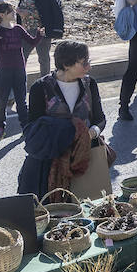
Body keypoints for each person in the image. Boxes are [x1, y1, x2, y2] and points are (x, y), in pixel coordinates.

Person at [21, 40, 107, 196]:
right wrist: (62, 132)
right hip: (50, 162)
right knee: (54, 210)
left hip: (84, 158)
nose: (89, 67)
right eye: (84, 62)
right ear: (67, 64)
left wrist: (89, 134)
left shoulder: (90, 84)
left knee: (89, 206)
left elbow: (100, 119)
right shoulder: (41, 88)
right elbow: (31, 128)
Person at [0, 0, 36, 140]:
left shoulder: (18, 28)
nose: (14, 13)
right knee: (2, 101)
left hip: (19, 70)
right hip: (3, 71)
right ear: (2, 14)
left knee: (21, 101)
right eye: (11, 11)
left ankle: (26, 126)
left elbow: (32, 41)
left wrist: (40, 35)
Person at [17, 0, 63, 76]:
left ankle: (46, 81)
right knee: (21, 55)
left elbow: (51, 11)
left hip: (40, 30)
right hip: (26, 29)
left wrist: (29, 13)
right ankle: (19, 80)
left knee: (43, 57)